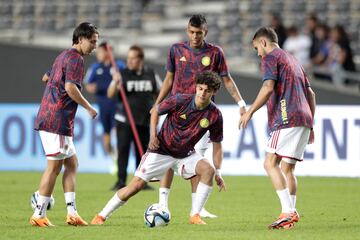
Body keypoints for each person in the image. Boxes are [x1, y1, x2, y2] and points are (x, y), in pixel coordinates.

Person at [91, 71, 226, 226]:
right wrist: (153, 136)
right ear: (196, 87)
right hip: (161, 150)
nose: (203, 93)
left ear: (214, 92)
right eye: (200, 88)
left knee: (208, 170)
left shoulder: (215, 115)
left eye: (207, 90)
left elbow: (217, 144)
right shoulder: (180, 100)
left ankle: (195, 215)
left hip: (185, 154)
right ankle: (101, 216)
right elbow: (155, 110)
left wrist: (219, 172)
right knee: (136, 186)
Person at [154, 14, 246, 219]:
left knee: (198, 161)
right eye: (192, 32)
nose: (195, 36)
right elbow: (169, 79)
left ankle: (197, 208)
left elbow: (227, 80)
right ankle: (162, 204)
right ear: (188, 31)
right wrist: (158, 103)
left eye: (199, 32)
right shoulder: (176, 50)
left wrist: (241, 103)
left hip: (202, 116)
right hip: (176, 113)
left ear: (206, 32)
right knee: (168, 156)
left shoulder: (215, 53)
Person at [240, 27, 316, 229]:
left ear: (264, 42)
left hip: (286, 117)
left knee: (269, 162)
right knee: (287, 169)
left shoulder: (271, 57)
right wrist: (311, 124)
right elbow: (311, 94)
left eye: (257, 48)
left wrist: (250, 111)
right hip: (303, 118)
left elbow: (267, 87)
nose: (258, 53)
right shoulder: (293, 60)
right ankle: (290, 216)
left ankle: (287, 211)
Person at [30, 22, 99, 227]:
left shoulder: (63, 55)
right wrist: (88, 107)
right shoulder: (76, 59)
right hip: (56, 120)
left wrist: (55, 87)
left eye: (96, 41)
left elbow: (46, 77)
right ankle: (39, 214)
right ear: (80, 39)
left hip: (54, 118)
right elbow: (70, 88)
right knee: (54, 168)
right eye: (92, 41)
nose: (95, 45)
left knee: (72, 163)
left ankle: (72, 213)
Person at [107, 45, 161, 191]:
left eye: (133, 58)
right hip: (124, 119)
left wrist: (157, 110)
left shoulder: (151, 73)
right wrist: (116, 83)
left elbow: (161, 92)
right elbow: (110, 94)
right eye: (128, 58)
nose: (129, 61)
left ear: (141, 59)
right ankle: (121, 181)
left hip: (144, 119)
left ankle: (141, 181)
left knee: (143, 152)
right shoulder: (121, 74)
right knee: (123, 150)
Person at [84, 42, 126, 162]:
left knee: (118, 131)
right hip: (103, 106)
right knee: (106, 136)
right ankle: (113, 157)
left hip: (118, 105)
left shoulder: (119, 66)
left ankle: (120, 158)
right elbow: (88, 85)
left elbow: (124, 82)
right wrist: (96, 87)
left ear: (108, 52)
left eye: (100, 52)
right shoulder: (96, 67)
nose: (98, 54)